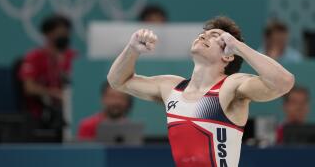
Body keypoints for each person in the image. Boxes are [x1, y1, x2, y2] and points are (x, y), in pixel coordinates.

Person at [107, 16, 294, 167]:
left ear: (228, 55)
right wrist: (132, 49)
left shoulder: (230, 86)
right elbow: (118, 81)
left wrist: (239, 47)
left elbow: (283, 83)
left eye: (215, 36)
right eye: (203, 34)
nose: (203, 36)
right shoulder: (171, 88)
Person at [19, 14, 76, 142]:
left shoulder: (74, 57)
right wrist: (53, 93)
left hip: (72, 110)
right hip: (42, 113)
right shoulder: (34, 57)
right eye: (59, 33)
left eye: (66, 33)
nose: (63, 37)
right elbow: (29, 87)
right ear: (47, 34)